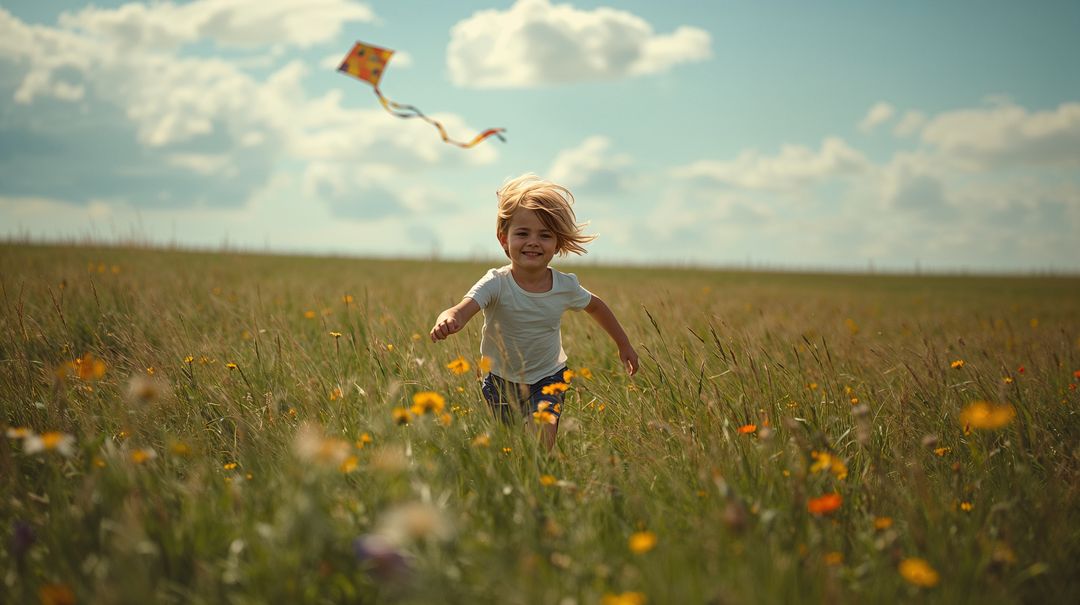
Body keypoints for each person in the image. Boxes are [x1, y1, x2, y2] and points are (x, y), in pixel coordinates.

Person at [429, 173, 638, 450]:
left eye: (545, 235)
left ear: (558, 243)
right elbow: (460, 309)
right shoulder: (496, 282)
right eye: (523, 233)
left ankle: (541, 483)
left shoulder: (565, 286)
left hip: (548, 378)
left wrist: (624, 344)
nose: (533, 242)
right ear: (504, 239)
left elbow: (596, 306)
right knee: (508, 448)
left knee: (542, 440)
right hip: (500, 380)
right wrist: (449, 320)